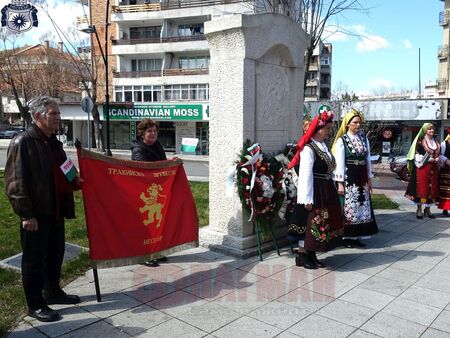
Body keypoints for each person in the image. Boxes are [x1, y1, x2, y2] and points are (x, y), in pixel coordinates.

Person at [4, 96, 81, 322]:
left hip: (55, 209)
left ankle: (53, 292)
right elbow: (14, 183)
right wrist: (26, 214)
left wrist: (76, 180)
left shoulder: (53, 142)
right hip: (36, 214)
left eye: (58, 113)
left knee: (54, 254)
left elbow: (65, 167)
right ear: (38, 116)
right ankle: (35, 304)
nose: (58, 117)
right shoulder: (23, 142)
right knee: (34, 260)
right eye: (53, 114)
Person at [295, 110, 343, 269]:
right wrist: (306, 199)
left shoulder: (323, 146)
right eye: (328, 128)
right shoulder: (309, 149)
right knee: (311, 221)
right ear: (318, 129)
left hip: (326, 188)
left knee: (323, 221)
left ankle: (312, 253)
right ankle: (302, 254)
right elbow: (305, 175)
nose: (329, 131)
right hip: (314, 190)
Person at [331, 109, 378, 248]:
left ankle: (357, 235)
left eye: (359, 123)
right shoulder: (342, 140)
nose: (358, 125)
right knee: (350, 205)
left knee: (362, 204)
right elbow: (339, 163)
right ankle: (347, 237)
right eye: (355, 123)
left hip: (362, 176)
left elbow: (368, 159)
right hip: (349, 176)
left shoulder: (364, 139)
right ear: (347, 124)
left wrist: (369, 179)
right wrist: (340, 183)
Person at [131, 118, 168, 267]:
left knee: (156, 224)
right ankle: (143, 255)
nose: (153, 133)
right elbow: (145, 169)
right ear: (142, 134)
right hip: (143, 192)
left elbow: (163, 164)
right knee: (145, 226)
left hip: (155, 189)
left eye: (155, 131)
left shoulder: (157, 145)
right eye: (149, 131)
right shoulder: (138, 149)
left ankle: (156, 252)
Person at [405, 123, 441, 219]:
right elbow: (417, 155)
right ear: (425, 131)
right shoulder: (420, 142)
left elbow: (438, 153)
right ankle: (419, 209)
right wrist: (428, 159)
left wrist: (438, 158)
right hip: (423, 168)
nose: (431, 131)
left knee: (431, 189)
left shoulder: (436, 142)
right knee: (422, 188)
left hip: (434, 169)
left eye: (433, 129)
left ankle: (428, 209)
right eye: (429, 129)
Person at [438, 128, 450, 216]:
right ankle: (445, 209)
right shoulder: (444, 144)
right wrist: (446, 160)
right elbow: (440, 155)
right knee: (446, 190)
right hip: (447, 170)